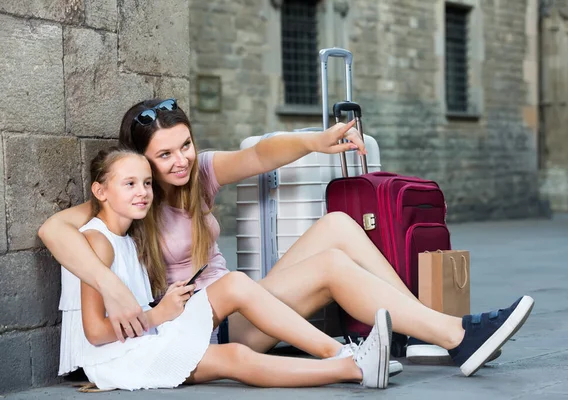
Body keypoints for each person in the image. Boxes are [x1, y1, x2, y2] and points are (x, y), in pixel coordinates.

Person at [40, 98, 534, 378]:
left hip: (242, 302)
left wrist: (316, 141)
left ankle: (420, 330)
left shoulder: (199, 175)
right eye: (165, 154)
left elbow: (259, 156)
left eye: (185, 145)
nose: (181, 160)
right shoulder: (131, 196)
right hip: (207, 326)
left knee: (338, 226)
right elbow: (53, 230)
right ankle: (454, 335)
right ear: (141, 161)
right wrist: (112, 286)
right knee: (330, 267)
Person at [62, 146, 394, 390]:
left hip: (149, 333)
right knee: (234, 356)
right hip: (117, 357)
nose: (143, 193)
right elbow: (94, 333)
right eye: (129, 184)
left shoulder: (127, 238)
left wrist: (165, 307)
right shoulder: (97, 242)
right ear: (100, 191)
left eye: (147, 183)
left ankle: (338, 351)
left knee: (234, 283)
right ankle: (354, 369)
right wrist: (157, 315)